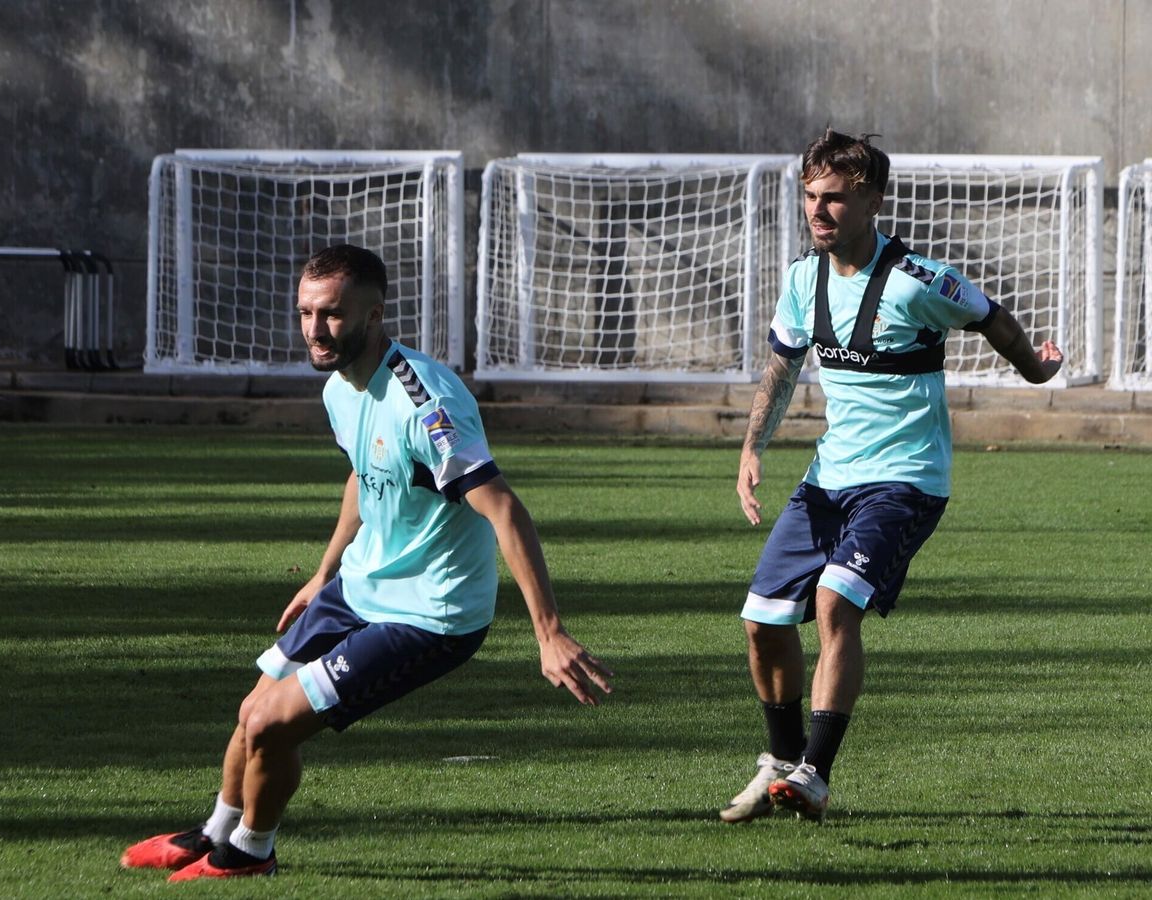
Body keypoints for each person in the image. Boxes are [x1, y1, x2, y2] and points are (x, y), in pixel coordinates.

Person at [121, 244, 613, 881]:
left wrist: (549, 634)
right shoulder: (339, 388)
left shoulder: (426, 404)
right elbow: (364, 472)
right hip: (359, 585)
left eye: (331, 314)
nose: (315, 330)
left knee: (271, 724)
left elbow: (504, 509)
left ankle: (250, 853)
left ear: (374, 314)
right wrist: (324, 572)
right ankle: (214, 832)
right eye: (305, 313)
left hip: (430, 613)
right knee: (251, 710)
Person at [720, 129, 1063, 825]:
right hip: (829, 478)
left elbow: (992, 319)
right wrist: (753, 448)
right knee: (761, 622)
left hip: (906, 481)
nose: (818, 211)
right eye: (810, 196)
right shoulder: (803, 279)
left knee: (834, 602)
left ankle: (815, 773)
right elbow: (782, 366)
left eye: (834, 198)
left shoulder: (919, 281)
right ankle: (782, 763)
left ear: (873, 201)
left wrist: (1036, 368)